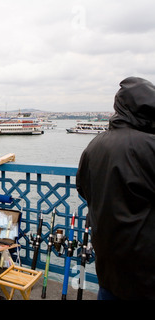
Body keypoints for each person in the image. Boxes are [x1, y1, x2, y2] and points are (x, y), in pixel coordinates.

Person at [76, 77, 155, 300]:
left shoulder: (95, 144)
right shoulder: (150, 147)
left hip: (108, 265)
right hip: (145, 274)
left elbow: (83, 188)